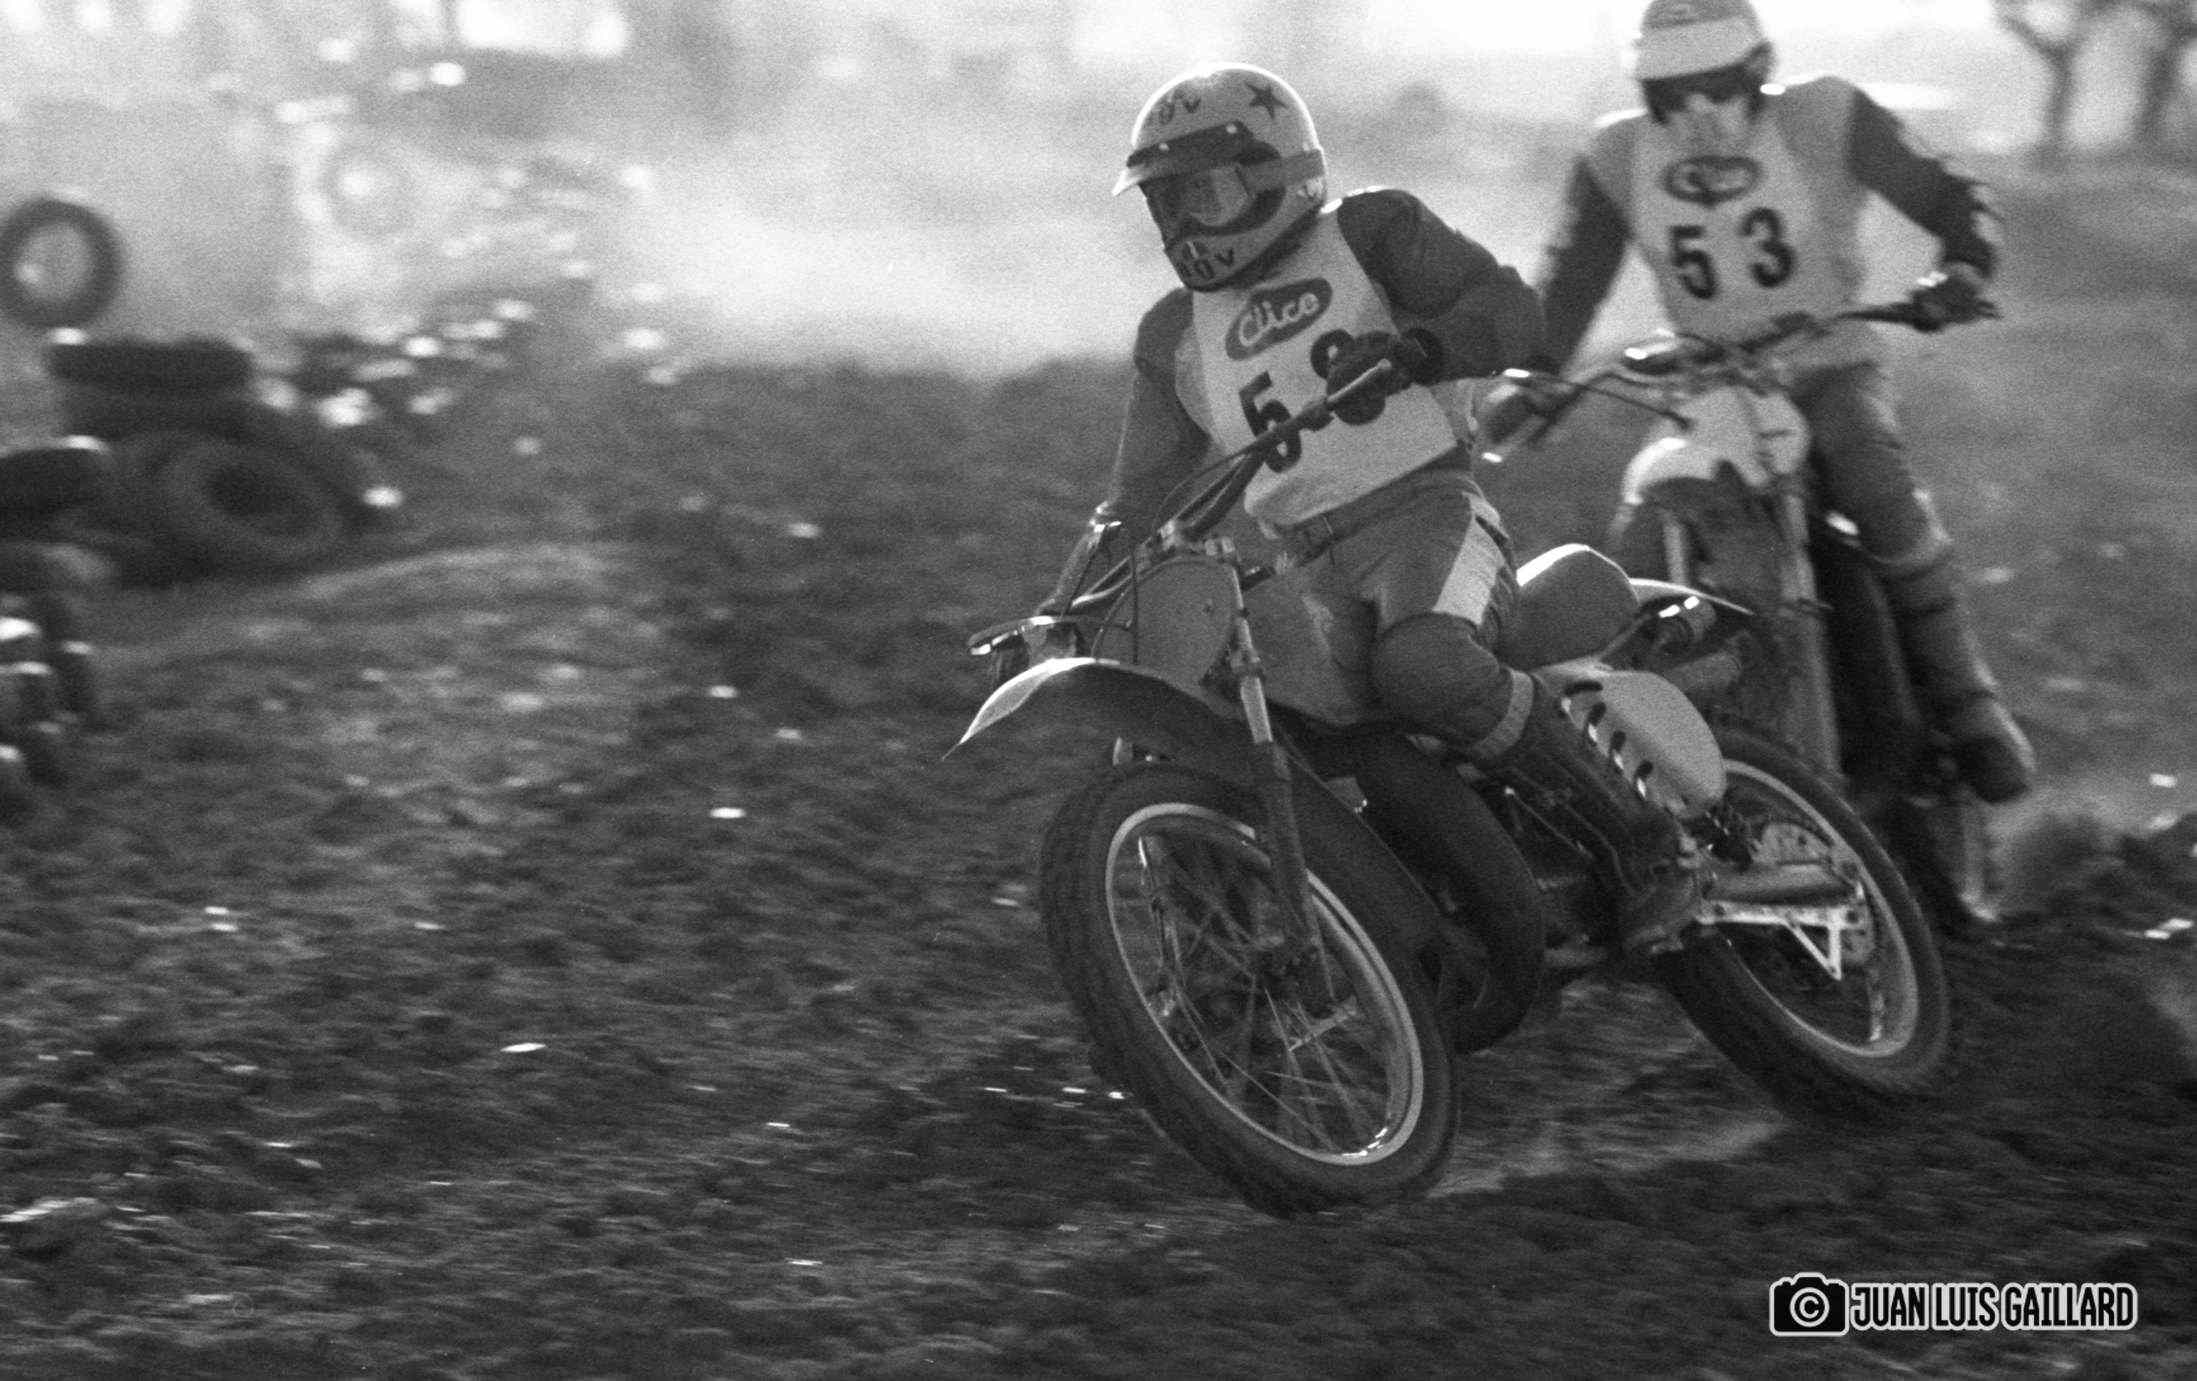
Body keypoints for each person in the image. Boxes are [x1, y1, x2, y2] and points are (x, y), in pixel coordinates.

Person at [1041, 61, 1701, 953]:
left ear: (1277, 173)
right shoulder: (1171, 334)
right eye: (1166, 205)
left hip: (1430, 514)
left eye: (1205, 194)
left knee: (1422, 663)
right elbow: (1139, 496)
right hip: (1301, 566)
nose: (1184, 225)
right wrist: (1066, 605)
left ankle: (1644, 846)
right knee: (1192, 721)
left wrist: (1424, 348)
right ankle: (1227, 972)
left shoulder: (1370, 230)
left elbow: (1510, 312)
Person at [1530, 0, 2035, 803]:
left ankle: (1970, 706)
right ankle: (1638, 765)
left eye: (1714, 86)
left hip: (1831, 361)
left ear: (1757, 72)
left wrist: (1960, 272)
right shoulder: (1615, 152)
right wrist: (1532, 374)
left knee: (1871, 478)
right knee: (1643, 525)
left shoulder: (1826, 113)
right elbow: (1569, 280)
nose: (1696, 112)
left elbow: (1953, 196)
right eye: (1670, 94)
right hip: (1705, 386)